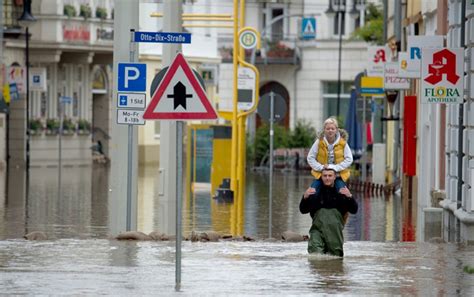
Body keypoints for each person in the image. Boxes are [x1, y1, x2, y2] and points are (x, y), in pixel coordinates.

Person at [299, 168, 358, 257]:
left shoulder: (341, 193)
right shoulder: (315, 193)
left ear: (335, 177)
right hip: (317, 231)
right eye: (325, 176)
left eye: (330, 176)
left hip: (334, 233)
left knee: (335, 257)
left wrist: (350, 196)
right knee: (315, 255)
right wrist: (305, 197)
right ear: (321, 177)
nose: (327, 178)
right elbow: (303, 210)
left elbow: (354, 210)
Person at [307, 117, 353, 195]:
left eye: (332, 128)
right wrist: (321, 167)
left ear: (336, 130)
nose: (330, 131)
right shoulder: (319, 142)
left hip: (339, 176)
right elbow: (310, 157)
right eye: (328, 129)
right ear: (324, 130)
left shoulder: (343, 143)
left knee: (343, 193)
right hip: (321, 175)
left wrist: (335, 167)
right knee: (312, 192)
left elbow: (349, 159)